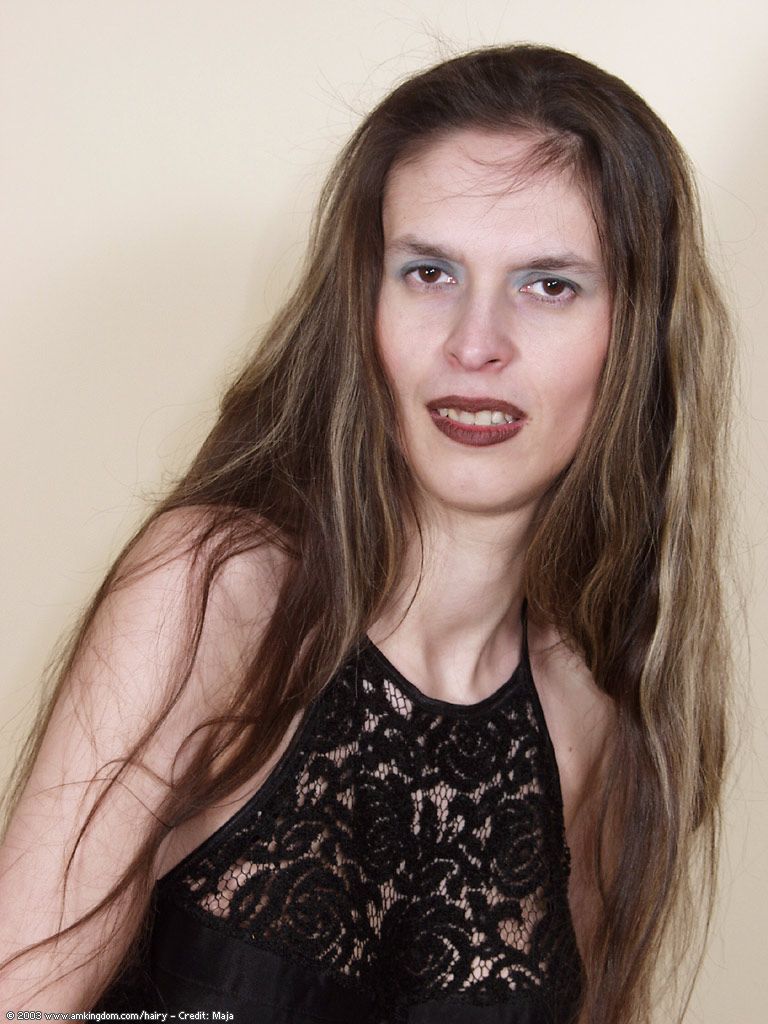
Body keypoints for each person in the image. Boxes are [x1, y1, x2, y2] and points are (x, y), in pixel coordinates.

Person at [0, 43, 734, 1024]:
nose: (475, 343)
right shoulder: (217, 593)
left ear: (633, 335)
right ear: (365, 304)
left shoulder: (587, 722)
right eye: (429, 272)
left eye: (549, 285)